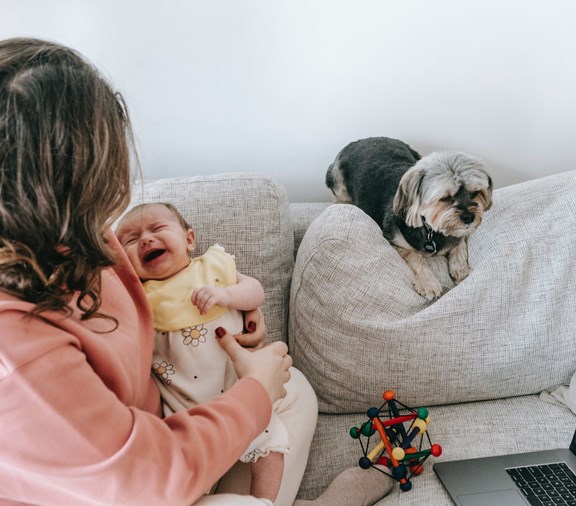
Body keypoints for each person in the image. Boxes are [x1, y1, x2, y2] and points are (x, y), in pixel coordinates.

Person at [0, 36, 393, 506]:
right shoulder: (15, 351)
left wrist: (238, 319)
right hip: (133, 484)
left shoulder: (86, 241)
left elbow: (203, 303)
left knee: (297, 390)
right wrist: (254, 392)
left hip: (163, 428)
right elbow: (141, 480)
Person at [116, 202, 289, 503]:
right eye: (130, 240)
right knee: (189, 475)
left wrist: (229, 295)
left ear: (189, 240)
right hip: (184, 405)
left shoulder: (213, 268)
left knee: (272, 450)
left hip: (238, 384)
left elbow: (255, 290)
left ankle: (266, 502)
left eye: (157, 229)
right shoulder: (140, 298)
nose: (145, 239)